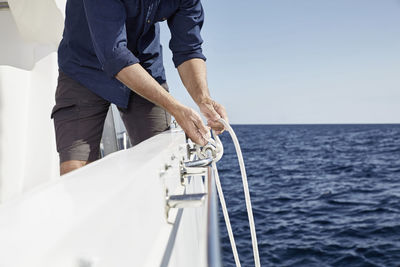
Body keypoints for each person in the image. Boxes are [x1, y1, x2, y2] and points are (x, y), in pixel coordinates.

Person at [51, 0, 228, 175]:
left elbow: (188, 49)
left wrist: (203, 99)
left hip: (144, 69)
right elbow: (115, 56)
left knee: (162, 160)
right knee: (75, 170)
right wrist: (175, 108)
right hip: (83, 69)